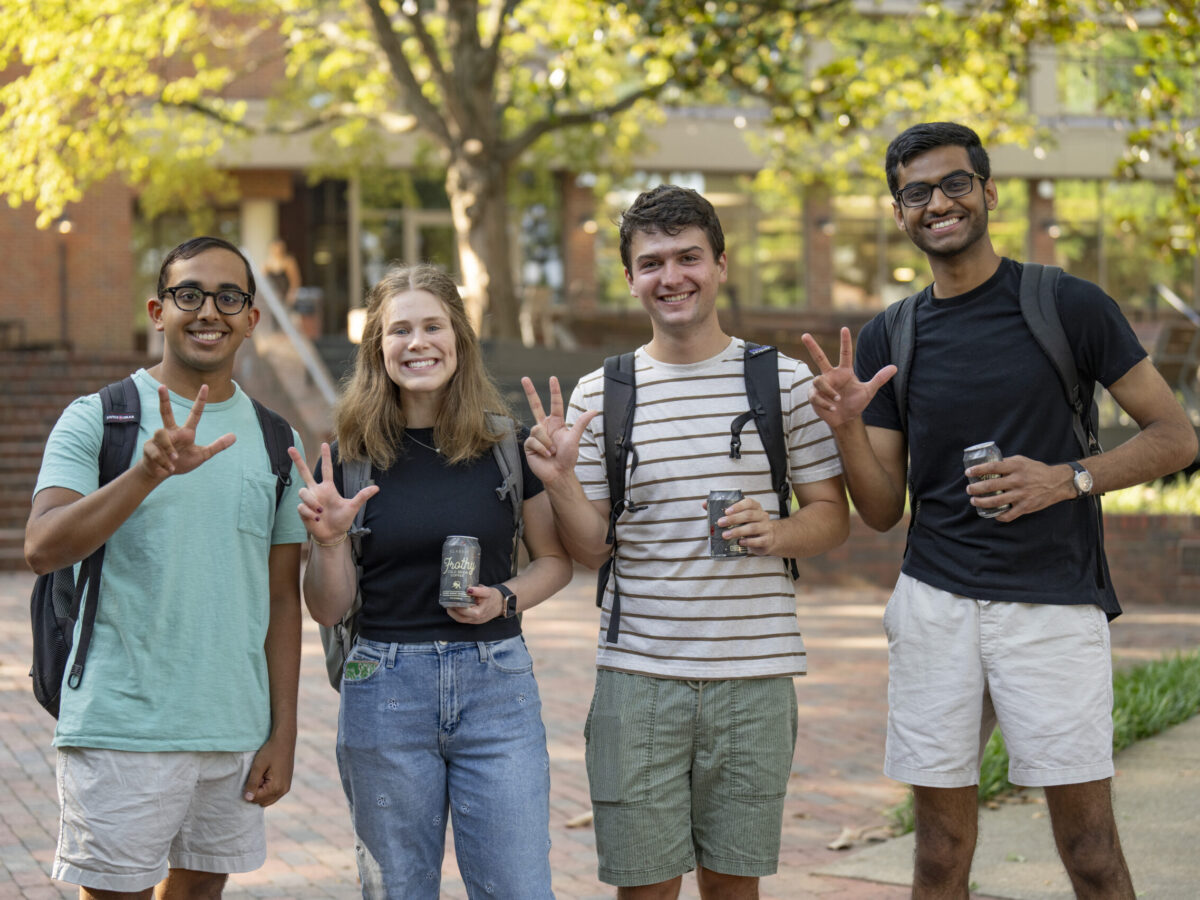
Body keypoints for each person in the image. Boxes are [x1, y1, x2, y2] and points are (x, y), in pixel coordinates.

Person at [800, 121, 1198, 898]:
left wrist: (1067, 479)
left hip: (1052, 604)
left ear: (987, 193)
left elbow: (1177, 436)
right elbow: (882, 510)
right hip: (936, 605)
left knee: (1089, 850)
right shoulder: (894, 332)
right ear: (899, 214)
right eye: (917, 193)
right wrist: (846, 425)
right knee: (939, 855)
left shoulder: (1068, 305)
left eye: (954, 184)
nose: (938, 204)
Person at [522, 184, 850, 899]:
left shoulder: (784, 382)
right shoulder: (599, 394)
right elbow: (590, 550)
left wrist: (778, 529)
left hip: (755, 679)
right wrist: (561, 483)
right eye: (651, 263)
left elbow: (833, 515)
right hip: (636, 679)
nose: (671, 277)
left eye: (688, 257)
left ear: (721, 264)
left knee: (734, 889)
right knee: (644, 889)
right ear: (631, 276)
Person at [24, 236, 307, 897]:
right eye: (189, 295)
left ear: (252, 318)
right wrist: (146, 471)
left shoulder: (275, 439)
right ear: (157, 311)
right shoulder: (99, 418)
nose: (209, 311)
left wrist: (283, 731)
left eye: (229, 297)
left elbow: (283, 600)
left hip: (234, 728)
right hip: (123, 724)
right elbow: (42, 548)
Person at [291, 262, 572, 899]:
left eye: (432, 326)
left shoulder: (506, 445)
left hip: (496, 686)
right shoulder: (348, 458)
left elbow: (554, 562)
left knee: (519, 889)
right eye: (399, 331)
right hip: (383, 689)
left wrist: (504, 597)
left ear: (459, 339)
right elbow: (327, 608)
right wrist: (328, 542)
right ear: (377, 348)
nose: (417, 343)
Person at [264, 237, 301, 308]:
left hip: (285, 296)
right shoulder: (267, 263)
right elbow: (263, 281)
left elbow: (295, 280)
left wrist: (292, 295)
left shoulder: (288, 261)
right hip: (273, 297)